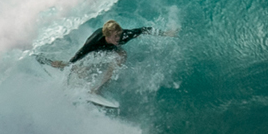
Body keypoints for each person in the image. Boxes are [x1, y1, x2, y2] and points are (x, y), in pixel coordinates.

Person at [44, 20, 176, 94]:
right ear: (107, 36)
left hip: (110, 49)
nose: (119, 38)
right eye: (115, 36)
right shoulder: (94, 42)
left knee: (122, 55)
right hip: (98, 49)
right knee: (81, 65)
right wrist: (66, 64)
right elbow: (79, 54)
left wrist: (165, 33)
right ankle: (58, 65)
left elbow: (143, 29)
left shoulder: (124, 36)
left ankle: (99, 88)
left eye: (119, 35)